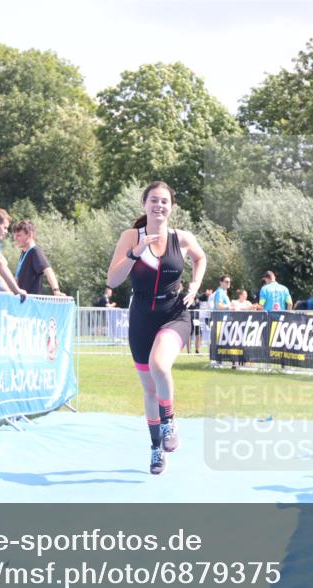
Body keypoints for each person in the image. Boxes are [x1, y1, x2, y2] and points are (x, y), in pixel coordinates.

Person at [106, 181, 207, 475]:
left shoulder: (182, 238)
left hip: (174, 314)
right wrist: (136, 253)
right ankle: (155, 449)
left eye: (164, 201)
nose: (159, 206)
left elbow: (200, 258)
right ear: (144, 204)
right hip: (141, 318)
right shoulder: (131, 236)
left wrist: (196, 284)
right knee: (150, 391)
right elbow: (113, 281)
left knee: (159, 365)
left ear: (171, 207)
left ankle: (170, 421)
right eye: (154, 200)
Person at [11, 220, 64, 296]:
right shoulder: (24, 252)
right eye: (15, 235)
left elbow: (48, 270)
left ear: (30, 235)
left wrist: (56, 291)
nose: (15, 238)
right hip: (22, 302)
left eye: (19, 235)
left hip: (31, 302)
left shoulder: (35, 251)